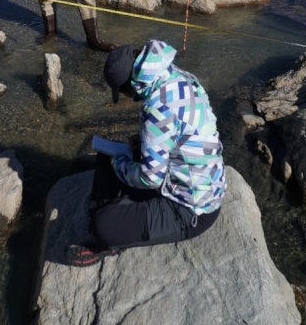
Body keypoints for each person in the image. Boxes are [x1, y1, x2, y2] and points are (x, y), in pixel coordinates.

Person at [69, 39, 226, 265]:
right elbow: (177, 132)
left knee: (103, 224)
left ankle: (107, 235)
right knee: (108, 157)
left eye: (124, 93)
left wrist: (118, 164)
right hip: (186, 180)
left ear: (129, 86)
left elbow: (150, 178)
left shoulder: (157, 106)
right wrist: (143, 145)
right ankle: (113, 214)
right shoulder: (176, 76)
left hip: (190, 209)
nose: (129, 99)